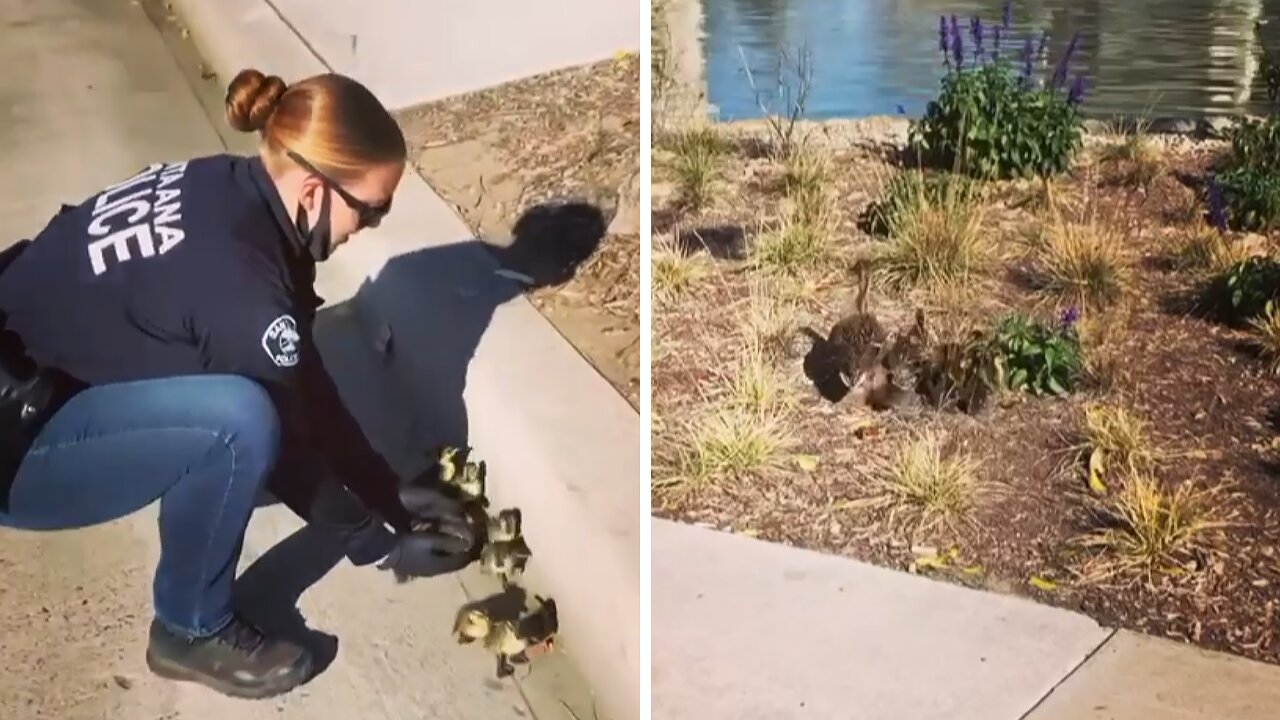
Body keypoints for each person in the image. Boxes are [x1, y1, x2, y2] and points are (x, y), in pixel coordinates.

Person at [0, 68, 476, 699]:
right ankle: (189, 628)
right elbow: (293, 443)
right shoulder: (242, 285)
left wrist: (388, 493)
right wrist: (377, 536)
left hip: (31, 374)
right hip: (17, 449)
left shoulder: (226, 188)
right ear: (314, 190)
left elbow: (306, 386)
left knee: (259, 405)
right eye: (372, 209)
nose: (372, 226)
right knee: (239, 424)